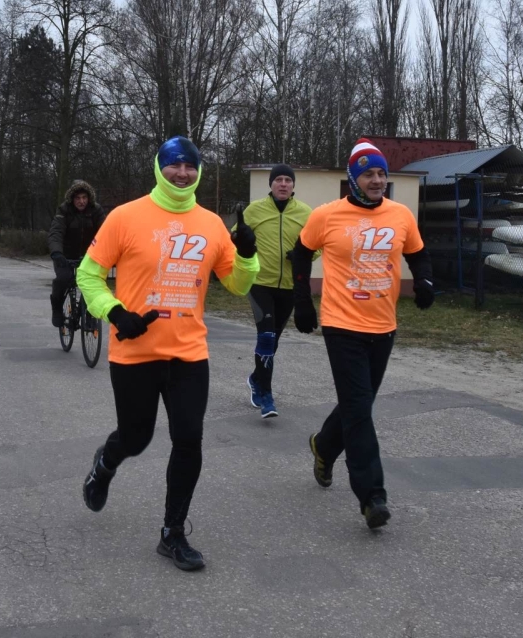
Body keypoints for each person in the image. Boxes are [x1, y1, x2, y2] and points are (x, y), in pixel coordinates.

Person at [76, 136, 259, 572]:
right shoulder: (126, 217)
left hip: (188, 353)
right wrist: (115, 313)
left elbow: (238, 284)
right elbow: (89, 275)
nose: (183, 173)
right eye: (175, 165)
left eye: (191, 167)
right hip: (136, 352)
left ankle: (172, 533)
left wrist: (249, 256)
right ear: (160, 168)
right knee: (136, 438)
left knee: (189, 439)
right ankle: (105, 463)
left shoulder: (211, 224)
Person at [289, 140, 434, 531]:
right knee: (358, 409)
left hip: (383, 325)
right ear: (353, 177)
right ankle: (372, 496)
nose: (377, 180)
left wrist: (424, 280)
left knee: (359, 404)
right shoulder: (327, 215)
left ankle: (323, 445)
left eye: (381, 173)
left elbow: (418, 252)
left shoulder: (400, 215)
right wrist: (303, 301)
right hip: (341, 324)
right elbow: (301, 253)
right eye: (368, 173)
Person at [240, 163, 314, 419]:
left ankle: (255, 378)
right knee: (267, 336)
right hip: (260, 283)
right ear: (270, 184)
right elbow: (237, 237)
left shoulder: (305, 213)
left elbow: (319, 243)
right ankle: (266, 396)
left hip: (289, 287)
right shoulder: (255, 210)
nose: (283, 184)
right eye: (278, 180)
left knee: (274, 340)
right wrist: (242, 243)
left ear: (293, 185)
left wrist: (303, 256)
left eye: (288, 180)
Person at [48, 181, 107, 328]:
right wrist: (56, 252)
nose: (81, 201)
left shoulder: (96, 210)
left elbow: (106, 232)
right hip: (65, 255)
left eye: (84, 197)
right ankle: (57, 309)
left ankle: (88, 312)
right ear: (72, 199)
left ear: (89, 198)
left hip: (89, 255)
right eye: (77, 198)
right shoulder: (64, 210)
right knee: (64, 279)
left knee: (92, 282)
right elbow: (56, 232)